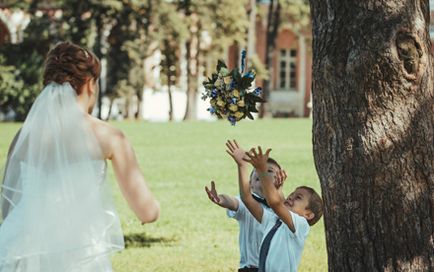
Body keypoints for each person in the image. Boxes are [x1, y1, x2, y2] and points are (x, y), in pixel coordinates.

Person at [0, 41, 159, 272]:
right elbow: (147, 211)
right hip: (80, 254)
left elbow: (8, 206)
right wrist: (154, 209)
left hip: (21, 250)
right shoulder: (109, 137)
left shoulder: (23, 137)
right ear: (90, 84)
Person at [226, 141, 323, 272]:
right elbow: (247, 200)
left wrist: (261, 170)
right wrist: (242, 166)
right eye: (292, 194)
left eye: (298, 197)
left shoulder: (301, 225)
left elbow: (275, 203)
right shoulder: (273, 220)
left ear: (308, 214)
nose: (290, 197)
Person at [205, 140, 286, 272]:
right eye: (258, 176)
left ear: (280, 178)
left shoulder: (285, 206)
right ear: (251, 186)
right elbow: (233, 202)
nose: (262, 174)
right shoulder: (247, 204)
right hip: (251, 268)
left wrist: (279, 191)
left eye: (268, 171)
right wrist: (220, 199)